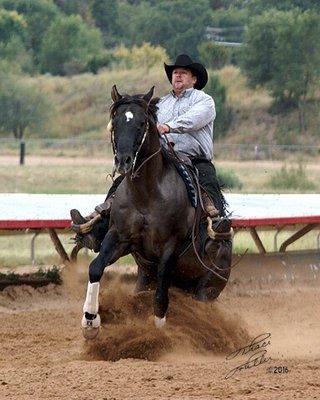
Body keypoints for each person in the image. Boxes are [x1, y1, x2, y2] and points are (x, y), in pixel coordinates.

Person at [71, 54, 231, 251]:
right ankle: (97, 229)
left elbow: (194, 119)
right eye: (175, 73)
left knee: (208, 183)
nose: (177, 76)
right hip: (164, 158)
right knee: (123, 182)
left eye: (183, 73)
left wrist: (168, 126)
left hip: (194, 159)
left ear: (194, 79)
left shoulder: (205, 101)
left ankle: (215, 233)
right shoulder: (161, 103)